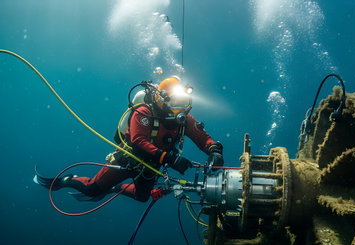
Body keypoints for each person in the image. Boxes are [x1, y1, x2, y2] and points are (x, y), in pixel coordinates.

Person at [34, 76, 224, 202]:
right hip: (127, 161)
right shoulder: (144, 112)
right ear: (163, 99)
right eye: (176, 103)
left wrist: (214, 150)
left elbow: (202, 137)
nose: (180, 109)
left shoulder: (185, 120)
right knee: (92, 190)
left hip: (151, 167)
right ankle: (66, 179)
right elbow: (138, 142)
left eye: (185, 103)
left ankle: (116, 188)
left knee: (142, 197)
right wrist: (170, 158)